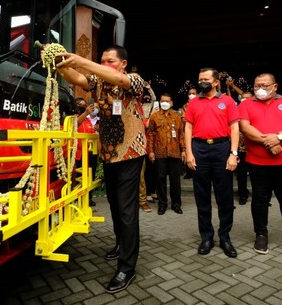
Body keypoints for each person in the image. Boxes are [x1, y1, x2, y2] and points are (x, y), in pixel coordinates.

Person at [55, 45, 147, 293]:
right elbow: (79, 78)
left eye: (111, 60)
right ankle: (121, 244)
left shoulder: (133, 80)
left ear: (123, 63)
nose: (106, 64)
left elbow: (115, 78)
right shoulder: (97, 82)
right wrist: (63, 66)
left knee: (127, 210)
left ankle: (127, 267)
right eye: (102, 60)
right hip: (108, 152)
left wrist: (80, 60)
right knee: (116, 206)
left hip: (129, 152)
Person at [238, 73, 282, 258]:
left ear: (275, 86)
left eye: (265, 85)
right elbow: (245, 127)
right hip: (257, 163)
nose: (260, 89)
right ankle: (261, 234)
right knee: (259, 201)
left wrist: (279, 137)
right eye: (256, 85)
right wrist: (269, 142)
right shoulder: (245, 104)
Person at [184, 68, 240, 258]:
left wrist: (233, 154)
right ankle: (206, 237)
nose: (202, 82)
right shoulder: (194, 103)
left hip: (221, 149)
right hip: (199, 149)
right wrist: (189, 153)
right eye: (200, 79)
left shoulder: (227, 101)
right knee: (202, 196)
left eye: (206, 79)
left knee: (224, 197)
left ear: (216, 82)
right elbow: (188, 128)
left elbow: (234, 128)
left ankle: (225, 237)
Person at [147, 92, 186, 215]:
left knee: (175, 180)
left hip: (175, 152)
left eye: (167, 101)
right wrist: (151, 151)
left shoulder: (177, 117)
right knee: (160, 179)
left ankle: (176, 204)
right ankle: (162, 204)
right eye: (163, 101)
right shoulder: (154, 117)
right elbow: (151, 135)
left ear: (172, 103)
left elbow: (181, 135)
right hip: (159, 153)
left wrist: (184, 150)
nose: (165, 103)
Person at [74, 97, 99, 207]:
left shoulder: (88, 120)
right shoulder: (74, 118)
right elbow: (75, 125)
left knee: (90, 176)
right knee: (79, 177)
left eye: (85, 105)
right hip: (79, 153)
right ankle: (78, 198)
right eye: (81, 105)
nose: (84, 107)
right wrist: (85, 113)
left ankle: (88, 197)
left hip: (90, 153)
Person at [235, 91, 253, 205]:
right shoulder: (235, 110)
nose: (244, 100)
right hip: (240, 148)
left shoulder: (257, 110)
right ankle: (242, 195)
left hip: (254, 148)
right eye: (243, 98)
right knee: (241, 174)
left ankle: (260, 196)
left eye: (247, 98)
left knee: (256, 174)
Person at [180, 88, 197, 179]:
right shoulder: (185, 106)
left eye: (193, 93)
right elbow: (183, 119)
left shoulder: (200, 103)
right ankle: (188, 172)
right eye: (190, 93)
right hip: (187, 132)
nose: (192, 95)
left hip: (198, 133)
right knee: (187, 152)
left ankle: (196, 171)